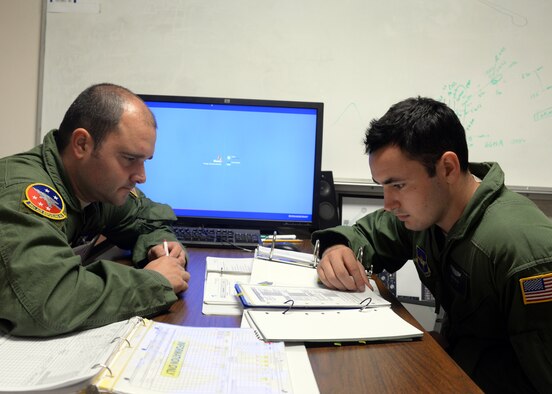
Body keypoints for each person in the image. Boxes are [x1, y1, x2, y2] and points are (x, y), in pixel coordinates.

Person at [312, 97, 552, 393]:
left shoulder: (522, 253)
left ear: (447, 168)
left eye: (398, 185)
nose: (388, 203)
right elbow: (371, 232)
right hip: (456, 366)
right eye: (382, 186)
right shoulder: (426, 214)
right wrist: (337, 247)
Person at [0, 83, 190, 337]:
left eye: (145, 161)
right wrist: (154, 282)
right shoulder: (24, 195)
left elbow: (147, 219)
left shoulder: (96, 188)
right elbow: (47, 301)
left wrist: (161, 245)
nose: (142, 176)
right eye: (130, 159)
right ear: (82, 144)